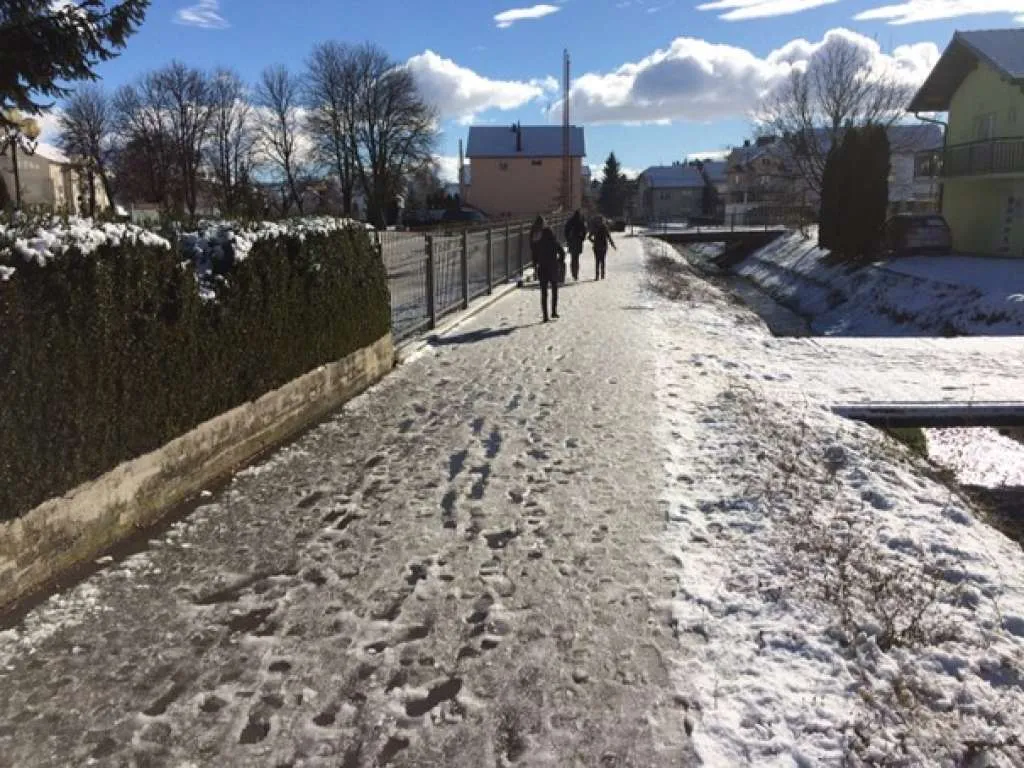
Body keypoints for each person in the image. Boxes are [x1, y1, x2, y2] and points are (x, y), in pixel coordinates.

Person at [531, 217, 566, 322]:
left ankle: (545, 315)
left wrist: (535, 265)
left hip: (542, 267)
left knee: (544, 292)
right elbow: (562, 253)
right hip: (553, 267)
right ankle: (554, 311)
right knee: (554, 289)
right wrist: (559, 261)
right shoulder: (553, 241)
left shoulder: (537, 241)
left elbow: (534, 255)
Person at [588, 215, 617, 280]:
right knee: (602, 260)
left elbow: (589, 237)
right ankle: (602, 275)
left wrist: (594, 241)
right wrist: (613, 245)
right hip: (603, 246)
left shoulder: (595, 228)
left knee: (597, 261)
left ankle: (597, 275)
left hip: (596, 246)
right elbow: (609, 237)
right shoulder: (605, 228)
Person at [563, 210, 587, 281]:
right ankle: (576, 273)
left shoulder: (570, 222)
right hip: (578, 241)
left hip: (572, 241)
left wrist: (568, 239)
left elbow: (566, 231)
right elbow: (584, 231)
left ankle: (573, 273)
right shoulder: (581, 222)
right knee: (576, 258)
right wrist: (582, 238)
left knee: (573, 258)